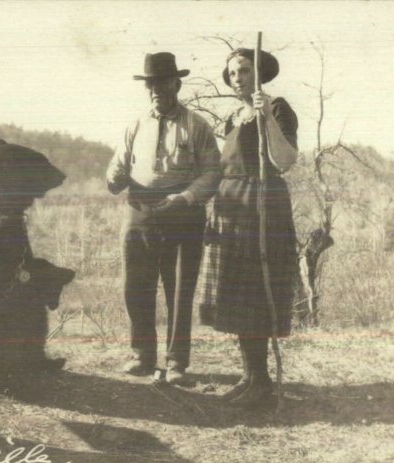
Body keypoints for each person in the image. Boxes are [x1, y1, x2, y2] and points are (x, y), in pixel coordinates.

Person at [106, 52, 222, 385]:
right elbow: (115, 174)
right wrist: (114, 175)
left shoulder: (196, 125)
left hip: (183, 215)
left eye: (163, 82)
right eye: (151, 83)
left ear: (177, 83)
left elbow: (212, 173)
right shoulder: (136, 125)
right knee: (136, 287)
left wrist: (185, 197)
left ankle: (176, 364)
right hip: (139, 213)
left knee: (179, 290)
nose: (156, 89)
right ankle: (142, 356)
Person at [200, 48, 299, 406]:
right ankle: (250, 376)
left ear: (260, 75)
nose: (237, 77)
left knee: (257, 291)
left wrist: (266, 117)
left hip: (262, 208)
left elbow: (285, 161)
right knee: (237, 293)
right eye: (232, 72)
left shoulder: (277, 108)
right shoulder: (232, 118)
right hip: (231, 210)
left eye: (244, 70)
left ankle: (261, 384)